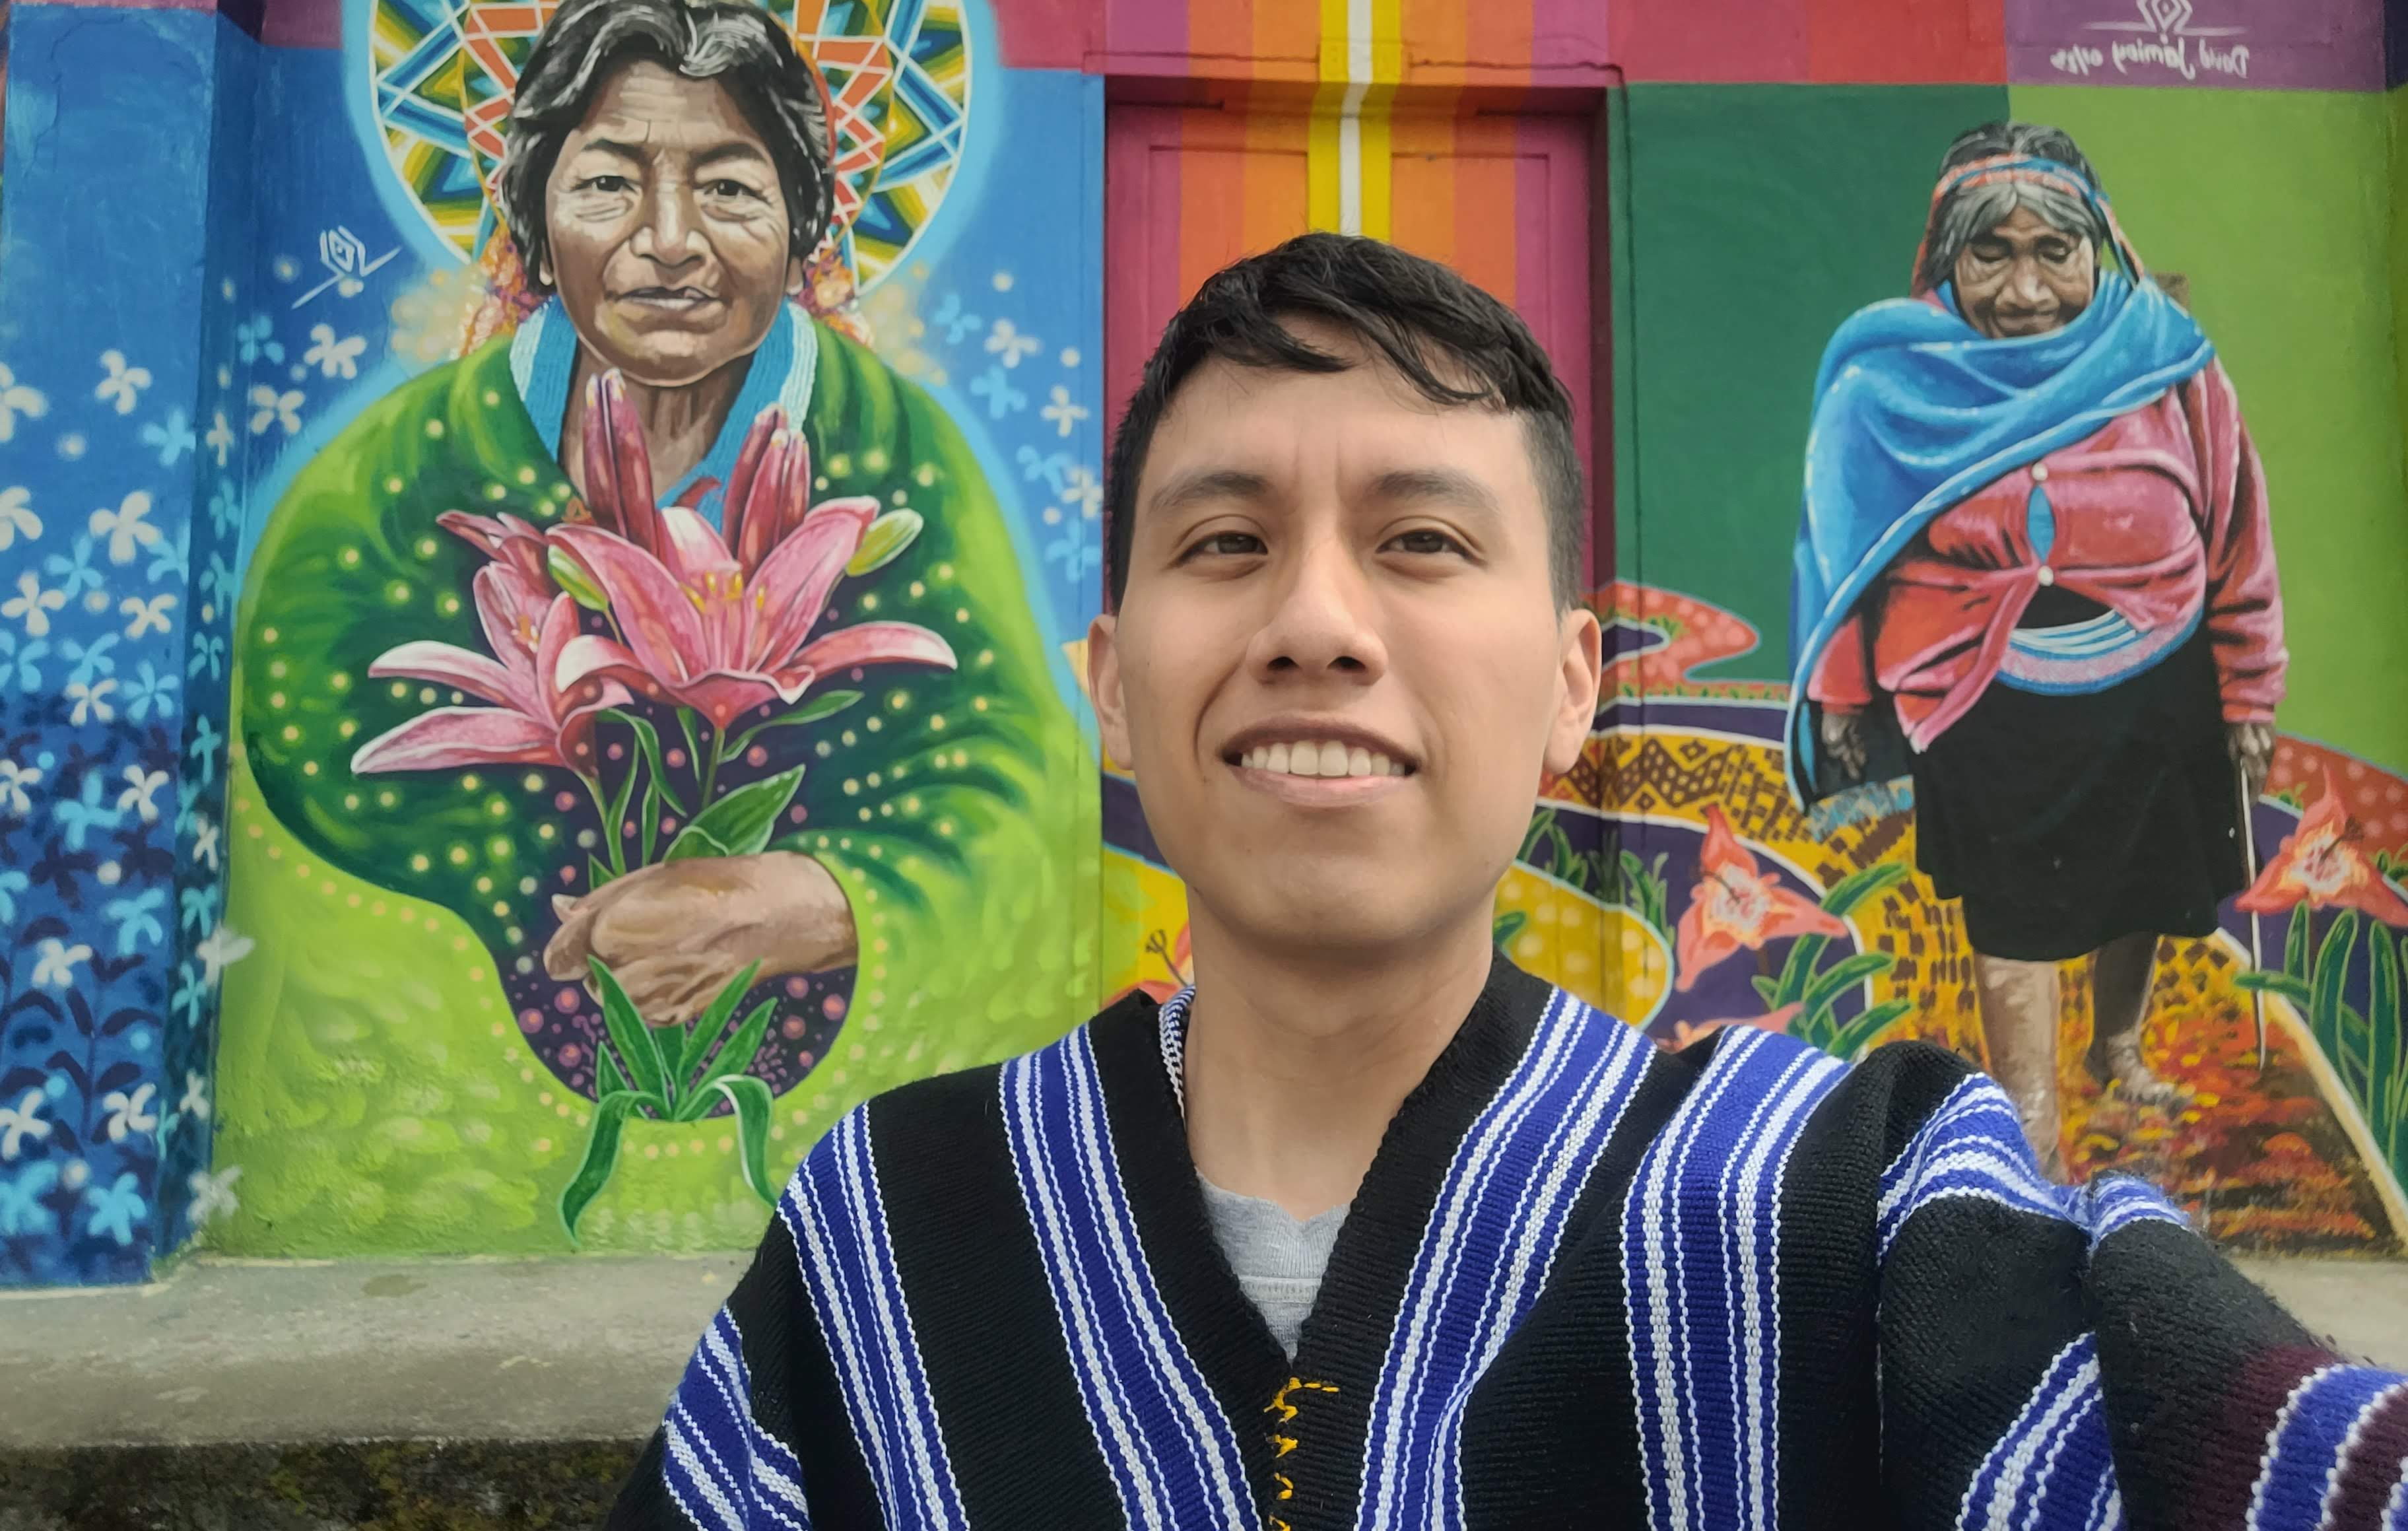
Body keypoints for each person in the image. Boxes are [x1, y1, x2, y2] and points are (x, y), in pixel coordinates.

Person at [608, 234, 2400, 1531]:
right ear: (1114, 692)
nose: (1317, 623)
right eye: (1224, 542)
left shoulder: (1842, 1213)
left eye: (1422, 541)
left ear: (1569, 692)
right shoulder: (892, 1237)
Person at [238, 0, 1085, 1090]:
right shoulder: (410, 466)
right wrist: (548, 871)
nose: (671, 240)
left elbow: (1018, 791)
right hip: (473, 1080)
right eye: (607, 184)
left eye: (730, 188)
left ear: (803, 229)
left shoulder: (894, 454)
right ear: (536, 226)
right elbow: (299, 729)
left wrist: (820, 902)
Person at [1787, 123, 2285, 1171]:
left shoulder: (2167, 360)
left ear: (2097, 244)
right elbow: (1841, 550)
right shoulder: (1892, 377)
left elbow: (2238, 525)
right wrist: (1839, 695)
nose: (2025, 292)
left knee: (2145, 885)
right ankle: (2033, 1132)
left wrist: (2247, 691)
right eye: (1992, 255)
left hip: (2157, 672)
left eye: (2055, 253)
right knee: (2014, 912)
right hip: (1982, 685)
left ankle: (2116, 1049)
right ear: (1945, 257)